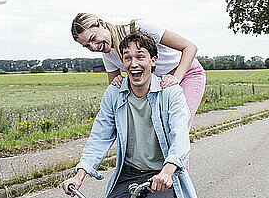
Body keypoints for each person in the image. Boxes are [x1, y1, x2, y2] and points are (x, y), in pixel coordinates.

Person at [62, 31, 198, 198]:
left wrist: (169, 170)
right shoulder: (115, 95)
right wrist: (79, 175)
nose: (134, 63)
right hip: (129, 175)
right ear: (122, 64)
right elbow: (100, 137)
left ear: (154, 60)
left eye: (140, 57)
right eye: (127, 58)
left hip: (161, 175)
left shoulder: (170, 93)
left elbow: (180, 137)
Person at [71, 13, 205, 128]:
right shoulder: (108, 55)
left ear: (102, 24)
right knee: (158, 130)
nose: (94, 47)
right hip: (160, 85)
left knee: (178, 126)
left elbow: (190, 47)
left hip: (187, 74)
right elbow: (117, 92)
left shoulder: (139, 28)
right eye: (87, 46)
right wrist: (119, 82)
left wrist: (176, 78)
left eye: (93, 39)